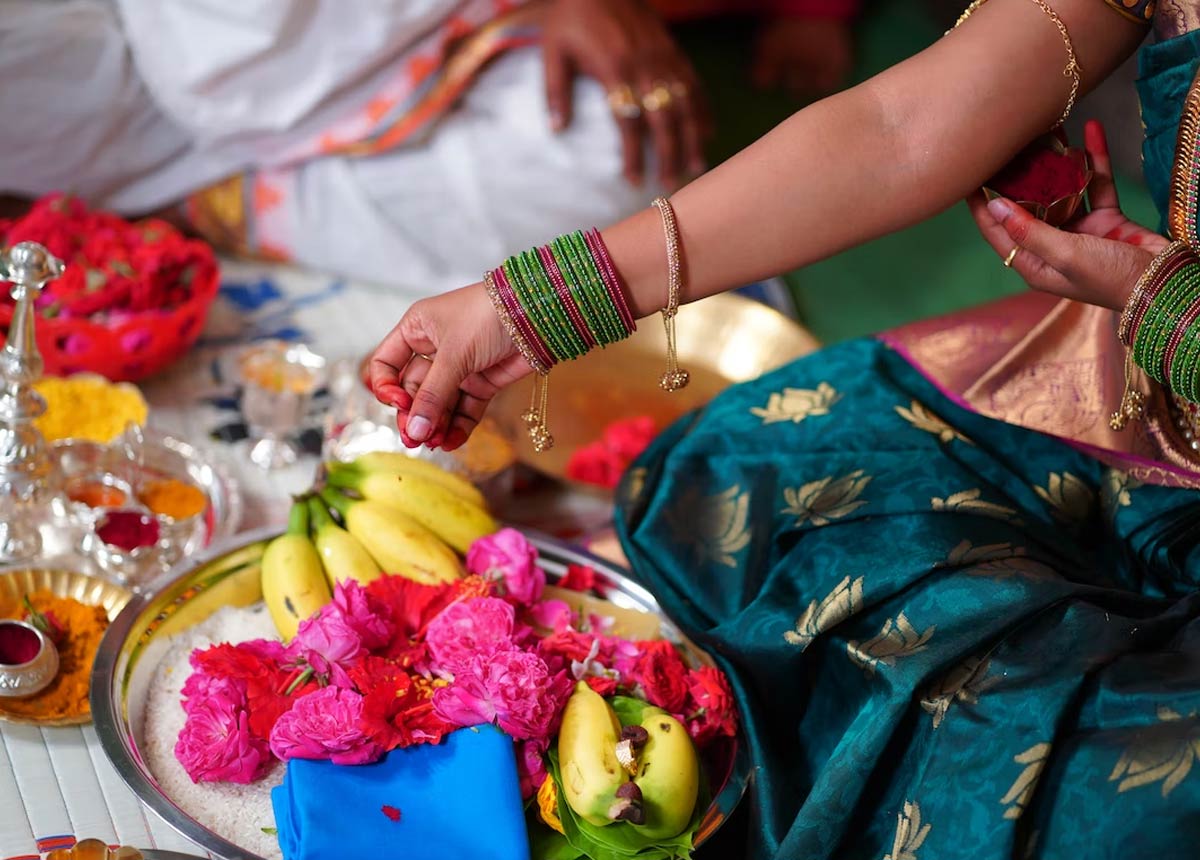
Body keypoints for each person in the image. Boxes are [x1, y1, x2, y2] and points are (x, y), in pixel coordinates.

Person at [369, 0, 1200, 856]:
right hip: (1125, 405)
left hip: (1160, 348)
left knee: (1049, 776)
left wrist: (1174, 312)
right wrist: (531, 307)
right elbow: (897, 128)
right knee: (736, 469)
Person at [0, 0, 710, 291]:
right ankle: (187, 189)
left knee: (616, 155)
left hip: (408, 32)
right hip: (127, 56)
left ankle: (216, 204)